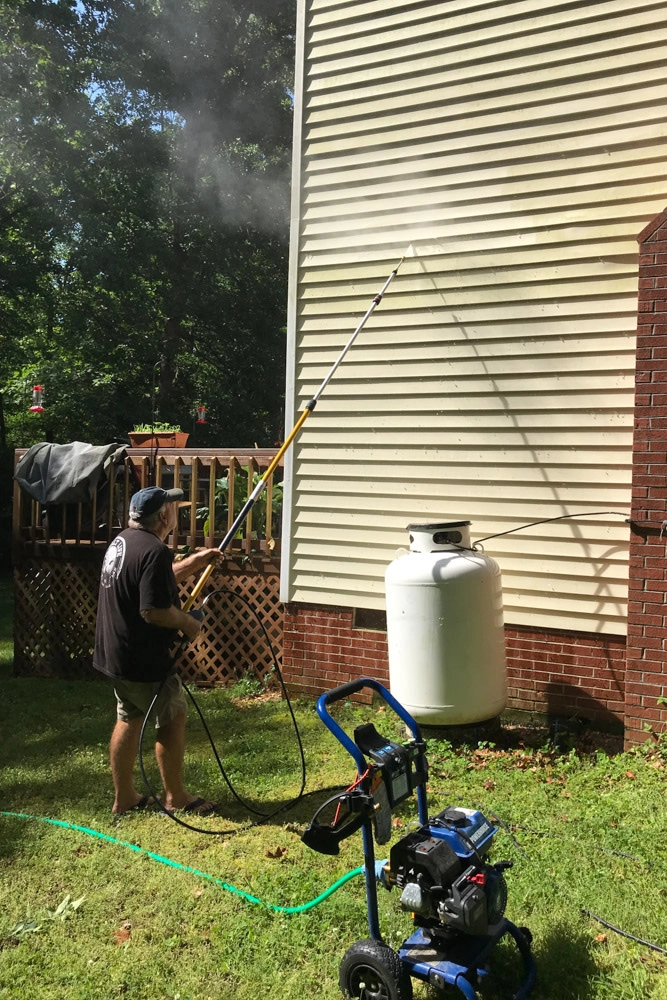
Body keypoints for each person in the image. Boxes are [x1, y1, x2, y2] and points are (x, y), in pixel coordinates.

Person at [93, 485, 223, 815]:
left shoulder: (123, 542)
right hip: (142, 659)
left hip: (115, 654)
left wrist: (195, 561)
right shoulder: (154, 551)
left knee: (129, 716)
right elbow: (153, 610)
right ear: (163, 515)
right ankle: (175, 797)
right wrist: (188, 624)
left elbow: (152, 579)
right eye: (174, 507)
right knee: (172, 717)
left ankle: (125, 798)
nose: (176, 512)